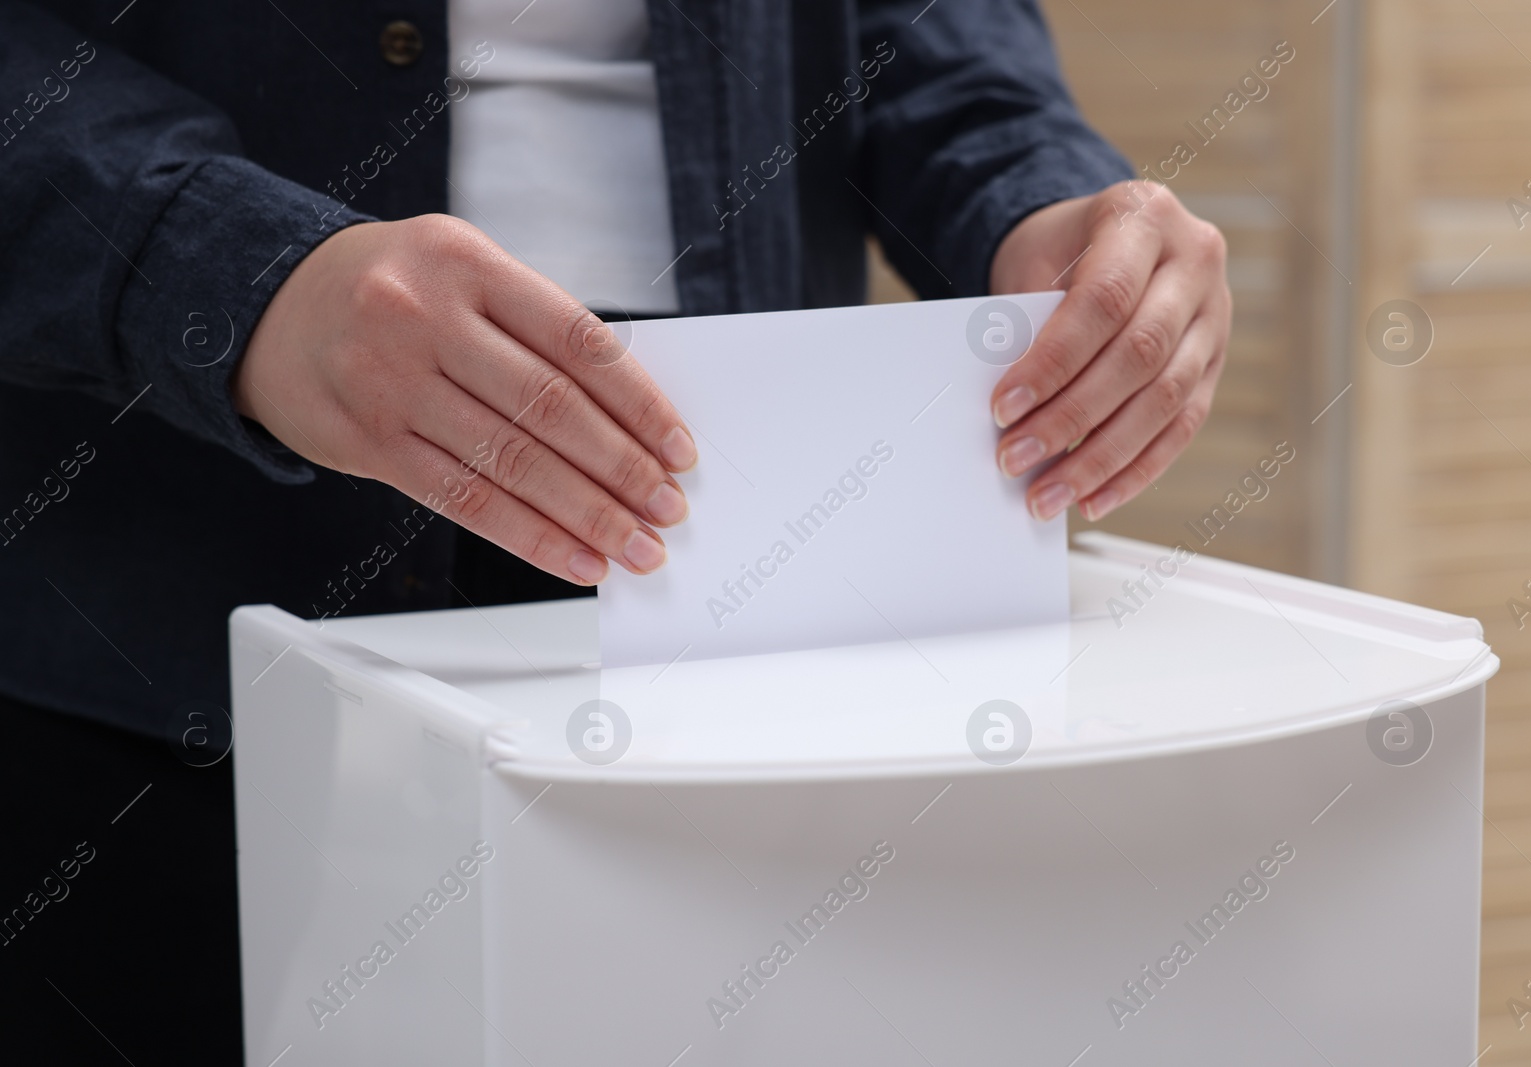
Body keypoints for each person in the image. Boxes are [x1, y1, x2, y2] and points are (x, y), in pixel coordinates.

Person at [0, 0, 1229, 1059]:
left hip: (747, 532)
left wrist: (1037, 196)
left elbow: (929, 37)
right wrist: (222, 266)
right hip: (155, 542)